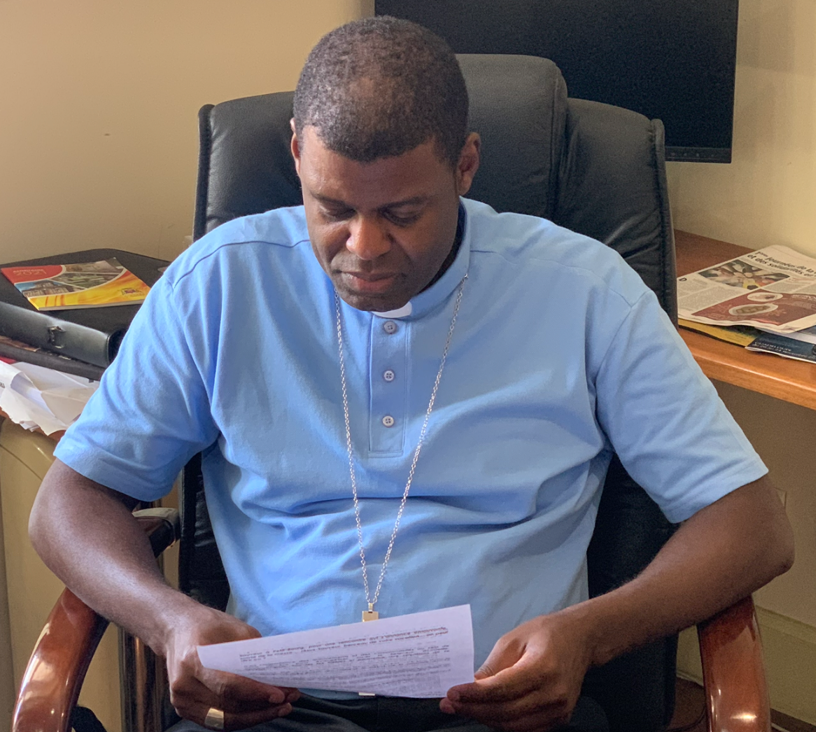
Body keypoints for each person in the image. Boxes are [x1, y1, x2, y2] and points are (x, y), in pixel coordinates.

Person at [29, 16, 793, 732]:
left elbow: (752, 524)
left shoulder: (586, 291)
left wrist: (590, 634)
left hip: (503, 710)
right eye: (332, 207)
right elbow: (70, 502)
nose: (362, 247)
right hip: (278, 709)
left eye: (401, 213)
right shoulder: (218, 284)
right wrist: (169, 622)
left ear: (465, 166)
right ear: (296, 154)